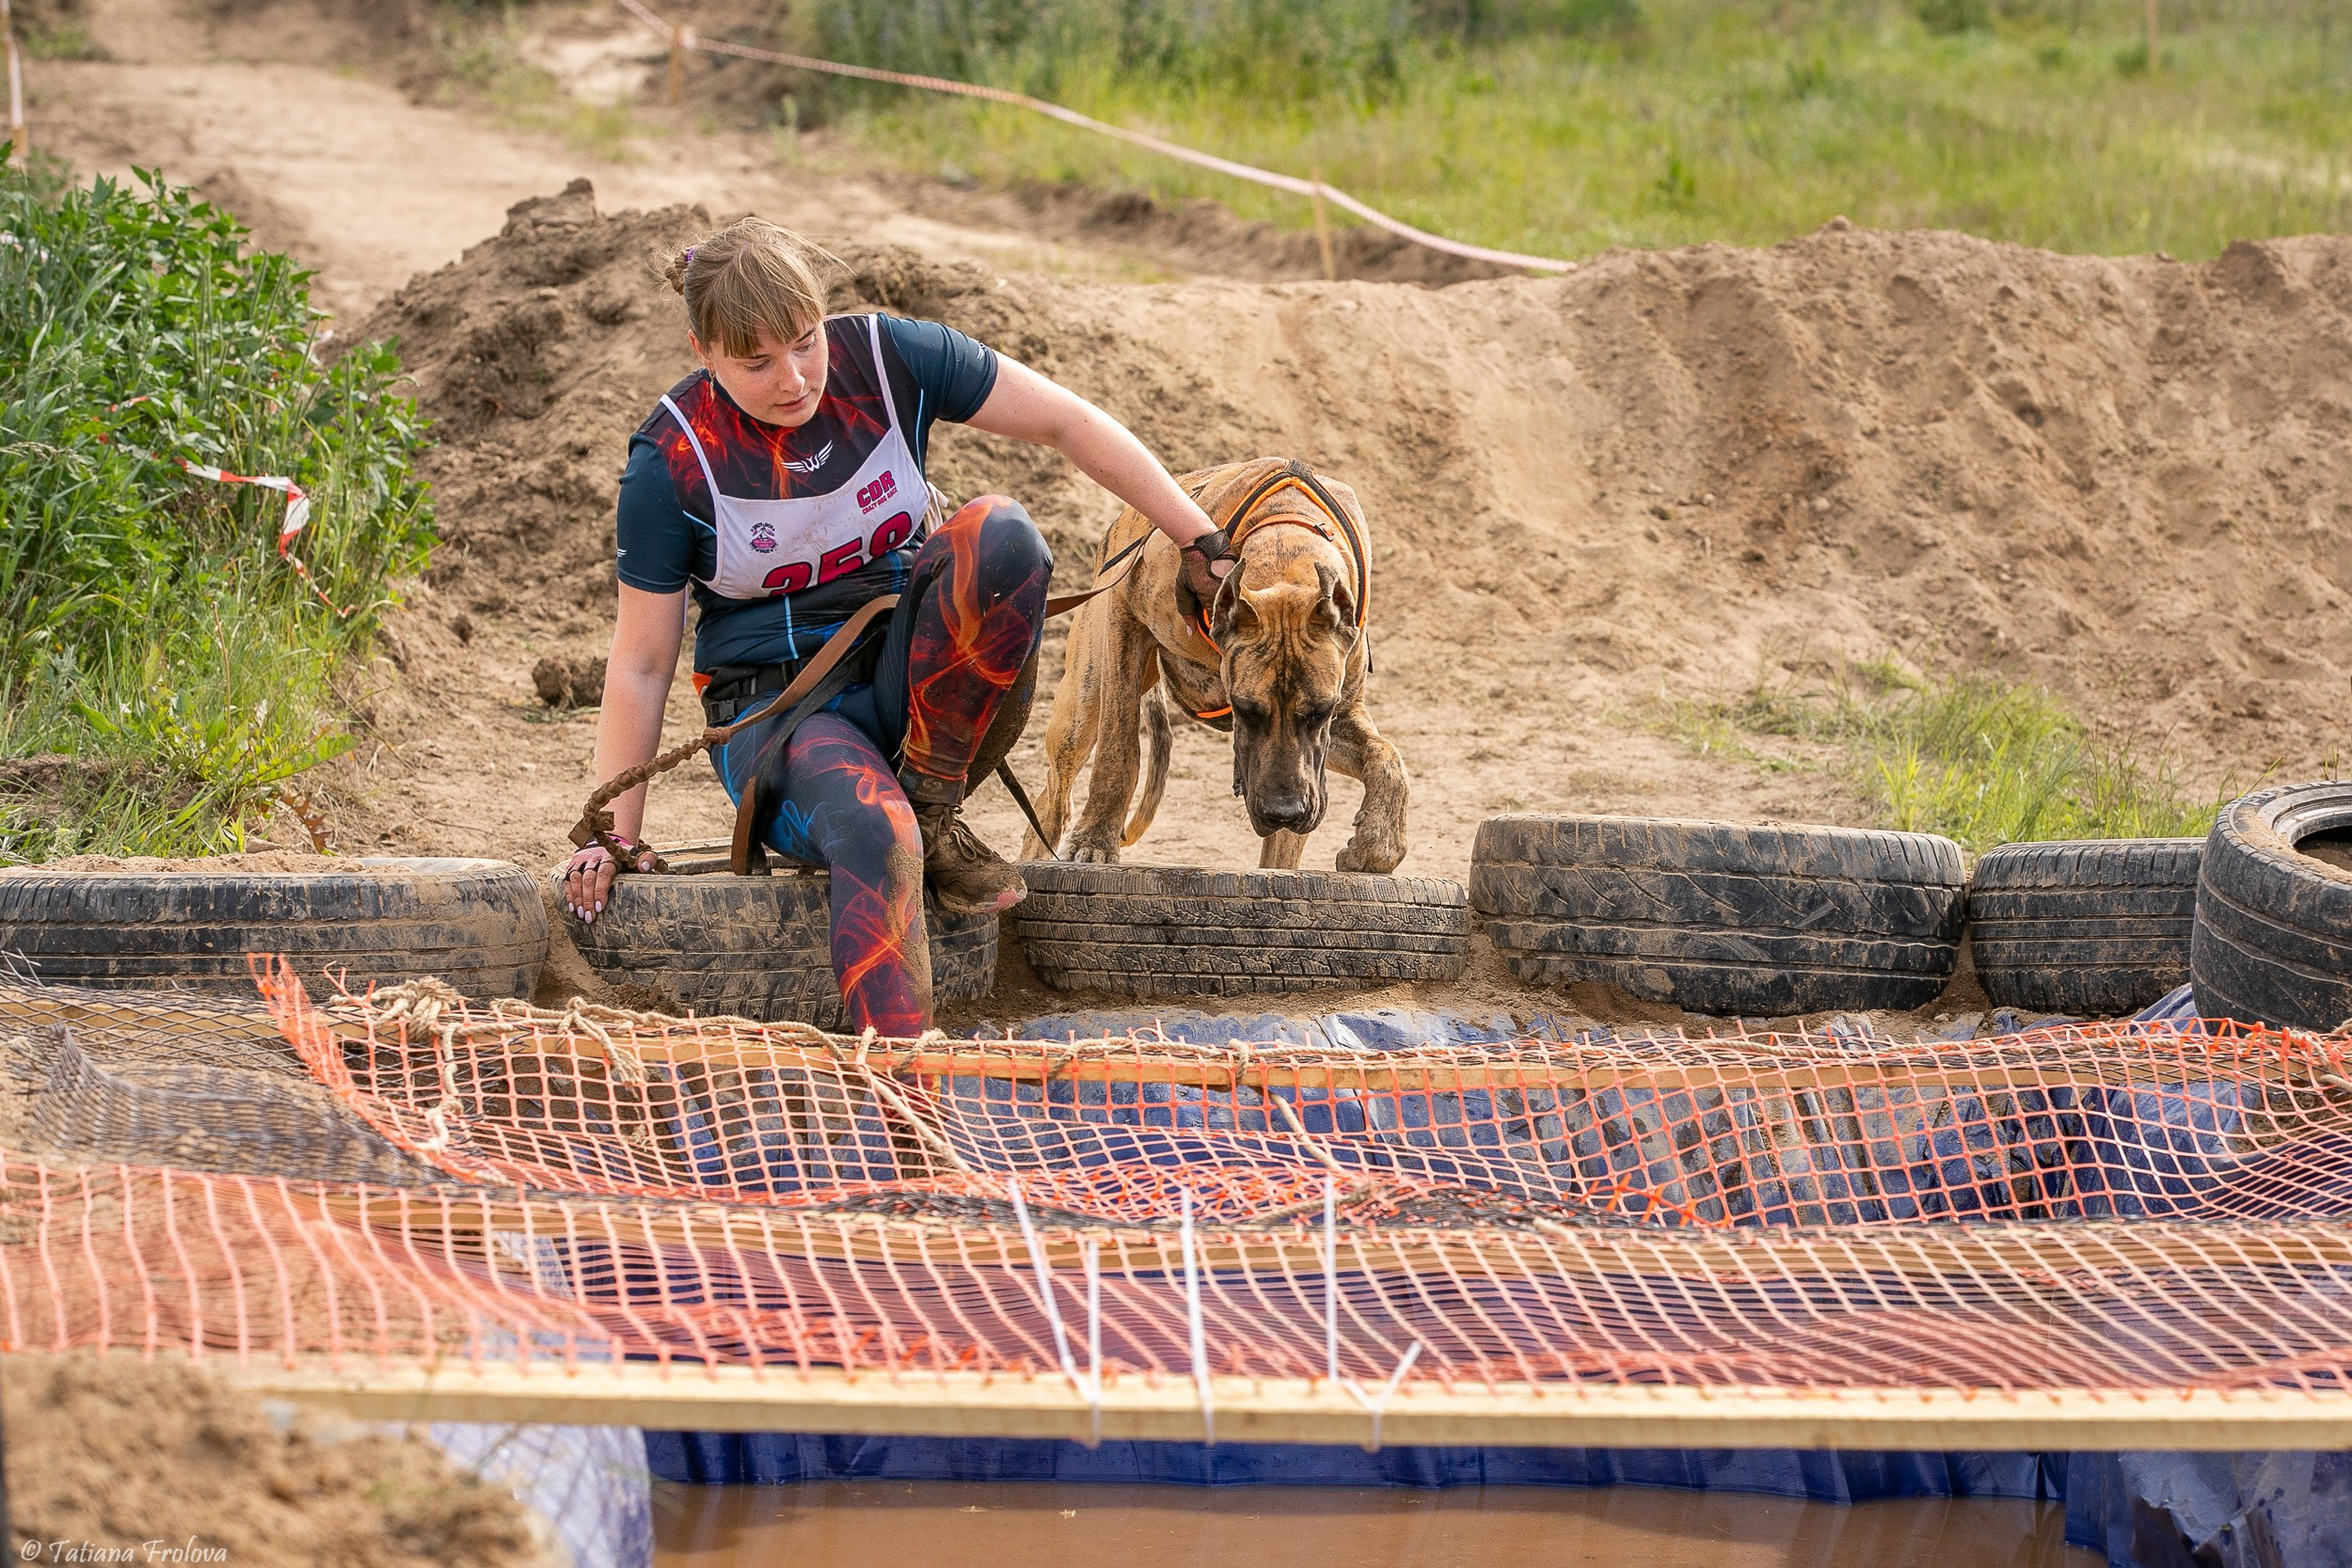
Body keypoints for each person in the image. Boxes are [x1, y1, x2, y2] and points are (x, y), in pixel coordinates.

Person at [560, 217, 1235, 1034]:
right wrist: (613, 836)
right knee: (878, 829)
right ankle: (902, 1090)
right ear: (703, 351)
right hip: (777, 720)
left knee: (1004, 533)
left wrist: (1200, 539)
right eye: (757, 362)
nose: (794, 379)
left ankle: (930, 814)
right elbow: (639, 665)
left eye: (805, 343)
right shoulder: (671, 460)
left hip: (916, 692)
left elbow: (1068, 421)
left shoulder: (886, 357)